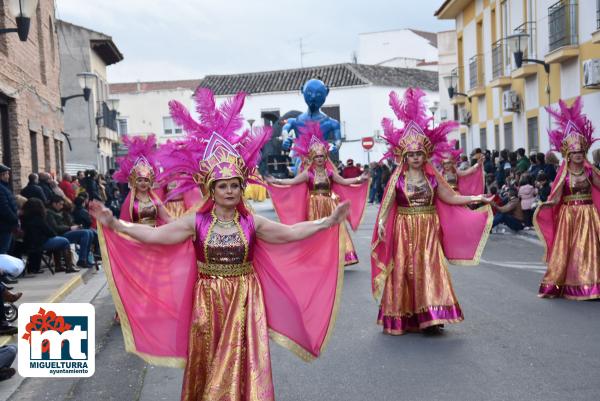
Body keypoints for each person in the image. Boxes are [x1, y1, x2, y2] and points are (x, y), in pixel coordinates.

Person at [92, 89, 350, 400]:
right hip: (208, 300)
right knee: (211, 360)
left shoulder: (252, 222)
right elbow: (155, 237)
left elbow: (290, 233)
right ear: (211, 191)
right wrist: (116, 224)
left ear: (242, 189)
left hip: (244, 298)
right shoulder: (195, 221)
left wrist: (326, 222)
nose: (229, 192)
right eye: (222, 186)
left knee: (243, 359)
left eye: (234, 186)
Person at [372, 88, 493, 336]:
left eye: (419, 154)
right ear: (405, 156)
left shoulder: (432, 179)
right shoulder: (397, 179)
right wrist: (383, 223)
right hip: (404, 229)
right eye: (412, 154)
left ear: (425, 154)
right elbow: (387, 204)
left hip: (428, 227)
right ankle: (405, 316)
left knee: (430, 268)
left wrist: (475, 197)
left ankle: (433, 316)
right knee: (404, 270)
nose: (416, 158)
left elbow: (450, 197)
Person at [266, 121, 369, 266]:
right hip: (314, 206)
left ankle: (335, 256)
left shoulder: (330, 173)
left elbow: (344, 182)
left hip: (330, 204)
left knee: (333, 230)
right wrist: (275, 180)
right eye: (316, 157)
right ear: (312, 159)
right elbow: (292, 181)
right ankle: (317, 256)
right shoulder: (308, 174)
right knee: (316, 231)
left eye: (321, 156)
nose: (319, 159)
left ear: (325, 157)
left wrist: (360, 178)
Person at [534, 97, 600, 300]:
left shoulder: (590, 172)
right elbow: (556, 198)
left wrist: (593, 169)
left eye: (581, 152)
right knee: (572, 251)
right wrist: (545, 205)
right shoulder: (563, 174)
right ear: (568, 156)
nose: (578, 155)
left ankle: (593, 285)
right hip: (569, 216)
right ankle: (572, 285)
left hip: (589, 215)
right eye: (574, 153)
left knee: (591, 250)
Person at [113, 135, 171, 226]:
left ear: (150, 182)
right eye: (140, 180)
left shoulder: (155, 200)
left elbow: (168, 218)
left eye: (146, 180)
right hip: (137, 238)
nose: (143, 183)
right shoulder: (130, 202)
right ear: (134, 182)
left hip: (155, 237)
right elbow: (124, 225)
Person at [21, 198, 79, 273]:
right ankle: (69, 267)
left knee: (58, 241)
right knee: (64, 241)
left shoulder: (24, 218)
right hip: (41, 243)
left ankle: (59, 266)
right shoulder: (39, 219)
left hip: (28, 243)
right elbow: (49, 232)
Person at [46, 195, 94, 268]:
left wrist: (76, 226)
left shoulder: (62, 212)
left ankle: (85, 259)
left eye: (62, 204)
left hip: (66, 231)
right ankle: (82, 259)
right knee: (85, 233)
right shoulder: (49, 213)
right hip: (59, 234)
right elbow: (55, 228)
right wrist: (70, 228)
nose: (62, 206)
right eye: (60, 204)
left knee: (90, 232)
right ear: (54, 204)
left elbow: (70, 223)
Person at [0, 165, 18, 255]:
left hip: (7, 225)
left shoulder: (4, 187)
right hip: (4, 225)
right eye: (6, 174)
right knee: (3, 250)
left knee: (7, 249)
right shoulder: (1, 188)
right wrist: (15, 219)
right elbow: (4, 207)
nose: (8, 176)